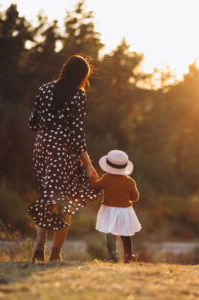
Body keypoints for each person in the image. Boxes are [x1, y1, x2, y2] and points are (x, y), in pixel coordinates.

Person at [27, 55, 99, 262]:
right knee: (65, 202)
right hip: (63, 151)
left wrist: (48, 131)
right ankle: (55, 254)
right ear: (82, 77)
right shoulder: (78, 95)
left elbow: (32, 123)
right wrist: (88, 164)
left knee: (48, 195)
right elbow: (77, 134)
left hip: (41, 148)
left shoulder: (43, 89)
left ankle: (39, 244)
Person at [90, 150, 141, 263]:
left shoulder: (106, 178)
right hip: (125, 211)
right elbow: (135, 198)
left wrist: (92, 177)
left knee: (110, 234)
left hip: (109, 210)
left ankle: (112, 255)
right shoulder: (130, 181)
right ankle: (128, 256)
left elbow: (96, 186)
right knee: (126, 234)